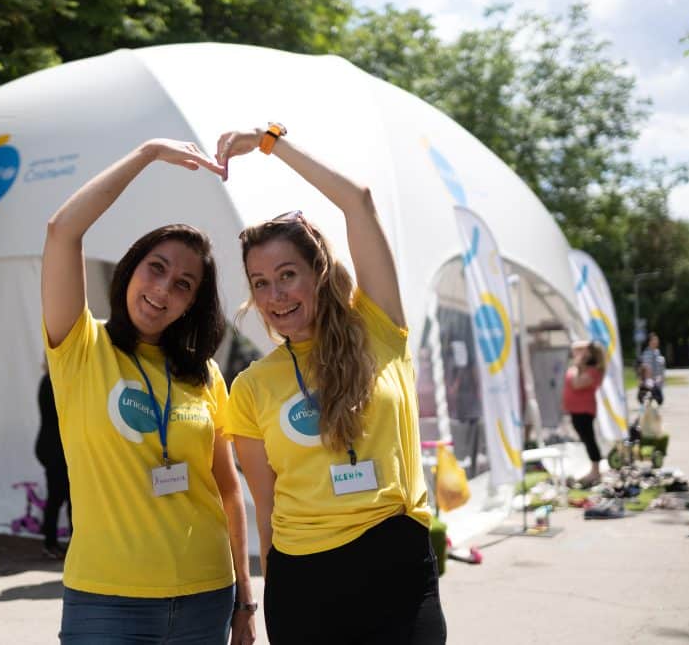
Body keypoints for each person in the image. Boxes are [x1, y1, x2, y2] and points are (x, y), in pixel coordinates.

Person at [217, 125, 447, 644]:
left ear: (318, 270)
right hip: (304, 585)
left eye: (287, 274)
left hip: (397, 565)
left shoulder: (378, 327)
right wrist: (269, 596)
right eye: (260, 283)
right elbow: (267, 509)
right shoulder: (251, 386)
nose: (276, 295)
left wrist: (272, 142)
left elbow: (358, 201)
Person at [41, 138, 255, 644]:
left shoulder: (203, 374)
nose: (163, 289)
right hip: (105, 600)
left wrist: (245, 598)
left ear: (192, 305)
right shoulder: (81, 346)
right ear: (131, 268)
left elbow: (227, 489)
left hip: (206, 594)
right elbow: (62, 230)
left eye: (183, 284)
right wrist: (147, 154)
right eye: (156, 267)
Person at [36, 356, 72, 559]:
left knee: (61, 499)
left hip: (54, 448)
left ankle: (55, 543)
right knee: (59, 498)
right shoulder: (52, 383)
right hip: (55, 450)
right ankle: (51, 543)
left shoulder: (50, 381)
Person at [563, 340, 606, 487]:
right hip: (576, 410)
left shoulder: (593, 371)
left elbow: (576, 383)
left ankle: (595, 471)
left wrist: (577, 365)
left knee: (589, 439)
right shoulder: (584, 368)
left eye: (586, 352)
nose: (581, 355)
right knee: (586, 438)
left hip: (584, 410)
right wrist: (586, 346)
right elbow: (574, 346)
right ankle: (594, 469)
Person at [637, 332, 666, 406]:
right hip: (649, 380)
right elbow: (645, 368)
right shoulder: (646, 353)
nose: (656, 342)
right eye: (654, 340)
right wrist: (643, 380)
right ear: (649, 342)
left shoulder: (658, 352)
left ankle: (651, 396)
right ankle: (646, 395)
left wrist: (661, 378)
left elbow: (661, 369)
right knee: (652, 392)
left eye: (657, 340)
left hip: (657, 380)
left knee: (660, 400)